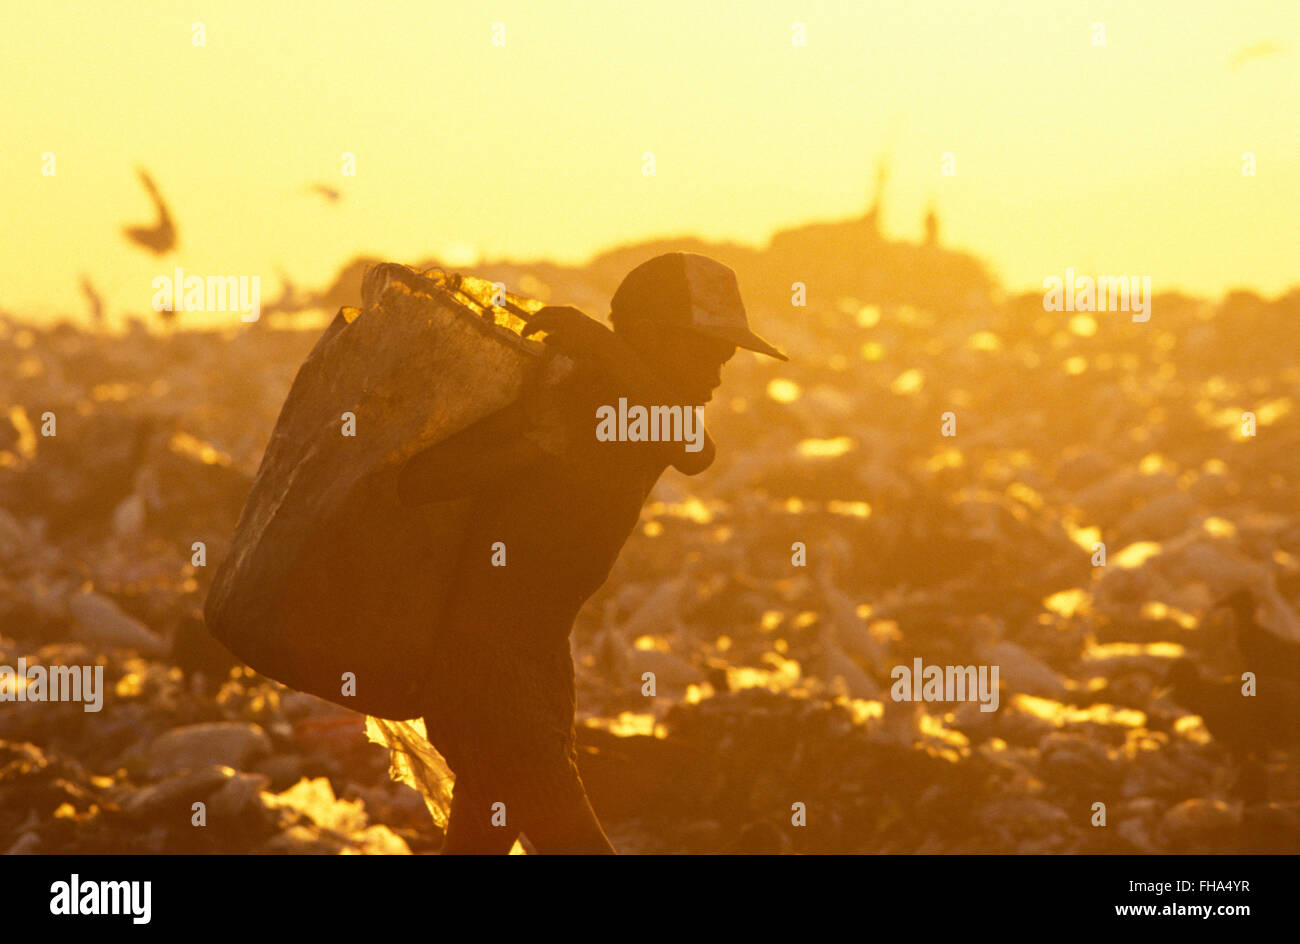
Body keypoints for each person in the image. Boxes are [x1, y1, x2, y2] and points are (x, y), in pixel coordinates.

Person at [395, 252, 786, 853]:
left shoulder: (644, 403)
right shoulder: (575, 389)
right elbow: (417, 480)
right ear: (655, 337)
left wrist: (606, 348)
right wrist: (528, 447)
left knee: (479, 839)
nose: (717, 375)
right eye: (709, 353)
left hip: (540, 660)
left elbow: (694, 449)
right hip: (485, 667)